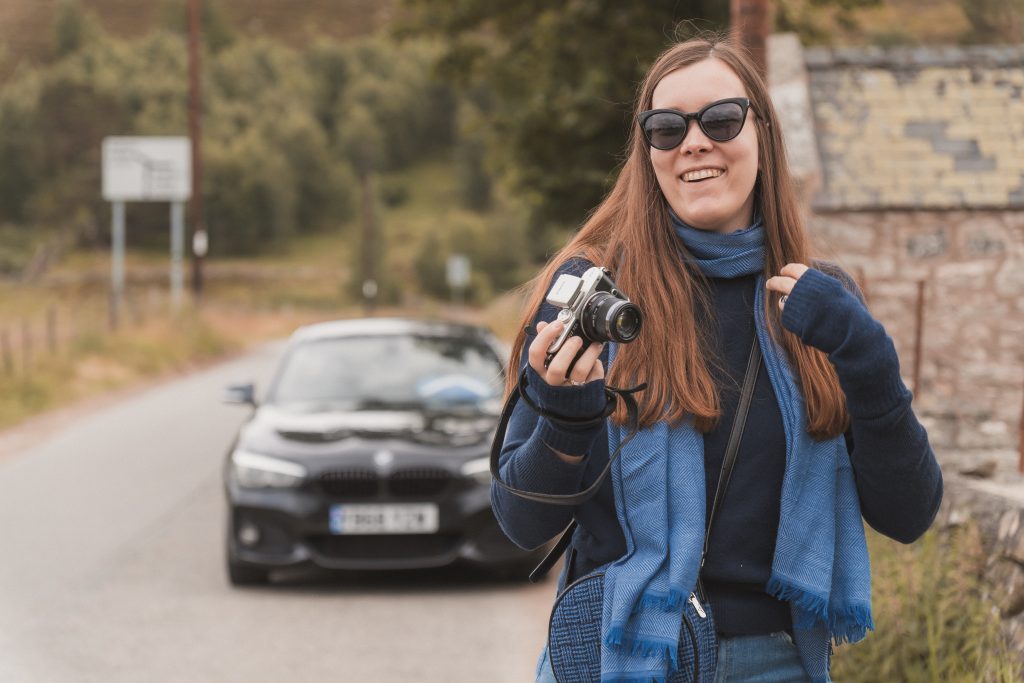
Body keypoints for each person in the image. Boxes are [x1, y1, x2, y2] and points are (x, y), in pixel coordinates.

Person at [491, 34, 943, 683]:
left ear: (763, 134)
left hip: (777, 660)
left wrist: (868, 356)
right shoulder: (596, 295)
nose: (694, 142)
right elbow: (520, 519)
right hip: (619, 654)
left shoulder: (821, 303)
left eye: (721, 119)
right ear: (648, 153)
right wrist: (564, 412)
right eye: (666, 128)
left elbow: (910, 512)